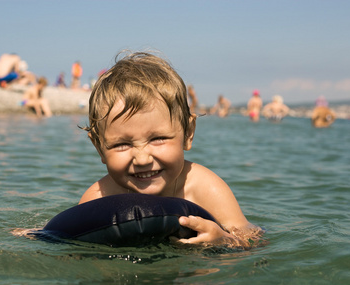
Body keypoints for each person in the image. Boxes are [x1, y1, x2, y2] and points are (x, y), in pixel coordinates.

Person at [79, 51, 263, 249]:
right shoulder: (100, 198)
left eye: (158, 139)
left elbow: (254, 239)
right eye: (122, 144)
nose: (142, 159)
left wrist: (224, 240)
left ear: (188, 134)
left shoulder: (205, 189)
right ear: (99, 147)